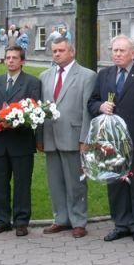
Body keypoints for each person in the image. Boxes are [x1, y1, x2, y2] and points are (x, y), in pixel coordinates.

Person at [88, 35, 134, 243]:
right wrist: (100, 107)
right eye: (114, 50)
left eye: (121, 51)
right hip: (111, 142)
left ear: (132, 53)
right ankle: (121, 224)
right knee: (116, 184)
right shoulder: (105, 75)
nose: (117, 54)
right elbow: (91, 102)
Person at [39, 38, 96, 238]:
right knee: (55, 181)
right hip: (50, 136)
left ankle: (79, 220)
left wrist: (85, 139)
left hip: (73, 135)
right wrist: (40, 138)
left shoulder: (87, 76)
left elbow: (86, 110)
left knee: (76, 183)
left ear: (71, 52)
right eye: (54, 51)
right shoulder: (44, 76)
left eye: (61, 50)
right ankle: (61, 219)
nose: (56, 54)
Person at [0, 46, 42, 237]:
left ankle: (21, 221)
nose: (10, 61)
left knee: (22, 183)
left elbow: (35, 111)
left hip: (22, 141)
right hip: (1, 142)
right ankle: (2, 220)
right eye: (7, 57)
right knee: (0, 183)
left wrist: (15, 120)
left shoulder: (32, 82)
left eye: (14, 58)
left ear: (22, 61)